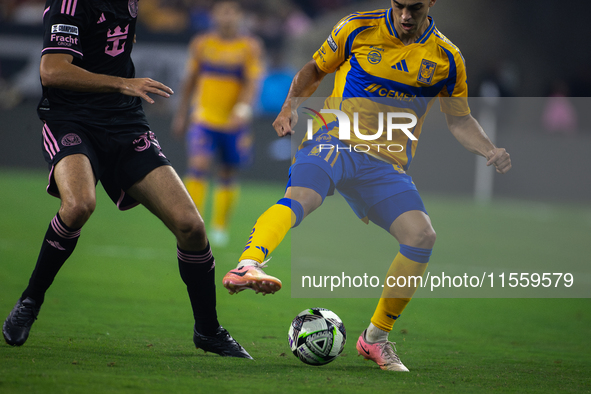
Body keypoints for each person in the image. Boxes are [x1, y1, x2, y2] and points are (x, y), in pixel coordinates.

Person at [222, 0, 511, 371]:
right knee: (301, 198)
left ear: (431, 4)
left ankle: (375, 339)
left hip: (386, 161)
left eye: (415, 8)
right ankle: (248, 265)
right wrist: (289, 106)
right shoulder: (357, 28)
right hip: (335, 139)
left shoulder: (447, 58)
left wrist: (489, 149)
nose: (405, 15)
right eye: (399, 5)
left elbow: (459, 119)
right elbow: (315, 67)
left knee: (422, 236)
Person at [2, 0, 251, 359]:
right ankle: (30, 300)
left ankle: (208, 331)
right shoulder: (70, 4)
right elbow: (52, 70)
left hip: (124, 123)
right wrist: (121, 83)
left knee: (191, 226)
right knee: (79, 204)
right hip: (71, 120)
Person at [171, 1, 264, 247]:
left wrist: (243, 110)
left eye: (232, 12)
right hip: (204, 118)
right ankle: (193, 223)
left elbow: (252, 83)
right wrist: (181, 114)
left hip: (233, 122)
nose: (227, 17)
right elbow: (190, 80)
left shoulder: (249, 46)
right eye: (222, 11)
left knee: (227, 172)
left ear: (239, 16)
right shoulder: (202, 43)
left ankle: (220, 227)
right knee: (198, 166)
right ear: (214, 16)